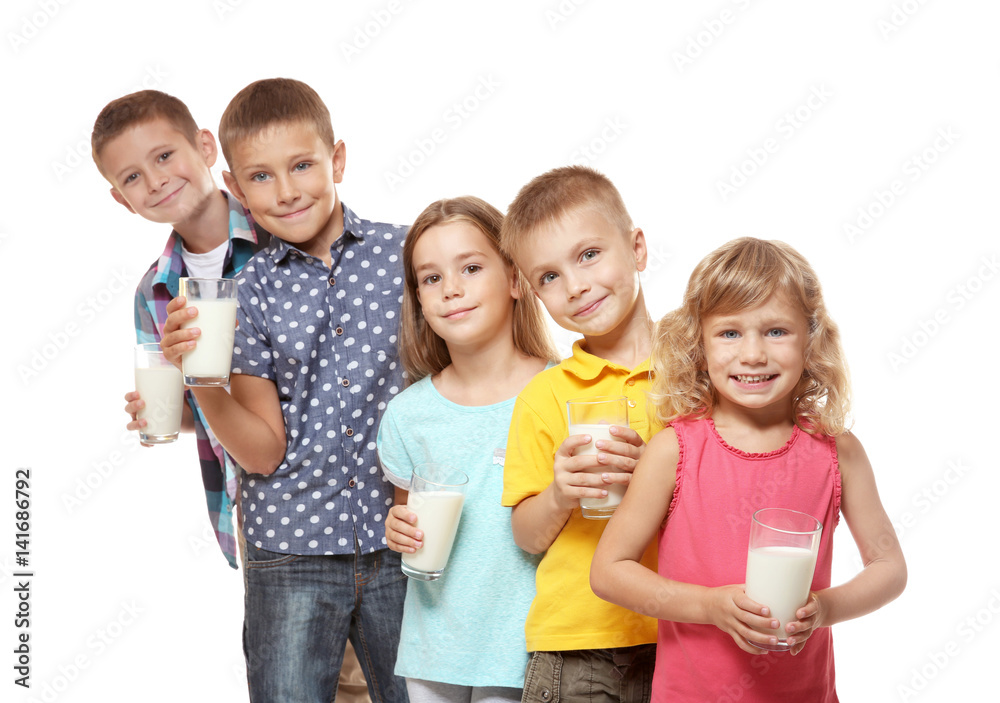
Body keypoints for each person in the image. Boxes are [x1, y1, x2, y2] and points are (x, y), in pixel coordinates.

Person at [158, 78, 408, 702]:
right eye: (261, 177)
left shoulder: (406, 255)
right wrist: (200, 380)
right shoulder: (248, 294)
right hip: (291, 547)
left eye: (302, 166)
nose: (287, 191)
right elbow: (263, 451)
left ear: (337, 160)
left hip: (404, 539)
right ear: (237, 189)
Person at [590, 237, 907, 701]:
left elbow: (889, 566)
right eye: (730, 333)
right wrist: (709, 606)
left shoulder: (838, 453)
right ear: (698, 344)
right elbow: (609, 570)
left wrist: (823, 609)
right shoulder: (674, 451)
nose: (754, 354)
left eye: (776, 331)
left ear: (811, 340)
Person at [376, 197, 559, 702]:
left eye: (471, 268)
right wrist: (399, 529)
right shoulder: (408, 415)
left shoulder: (561, 392)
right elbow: (408, 521)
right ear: (418, 299)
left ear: (516, 280)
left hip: (526, 648)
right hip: (434, 648)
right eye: (431, 278)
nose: (451, 289)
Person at [498, 166, 659, 702]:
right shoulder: (545, 396)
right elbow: (526, 536)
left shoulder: (699, 372)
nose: (576, 286)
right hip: (577, 646)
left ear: (636, 248)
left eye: (589, 255)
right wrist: (560, 494)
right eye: (549, 277)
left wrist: (658, 473)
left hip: (685, 632)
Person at [92, 89, 268, 569]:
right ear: (122, 199)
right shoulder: (153, 293)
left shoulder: (279, 235)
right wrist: (162, 409)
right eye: (132, 177)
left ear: (205, 147)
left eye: (164, 156)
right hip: (250, 507)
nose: (156, 181)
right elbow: (197, 414)